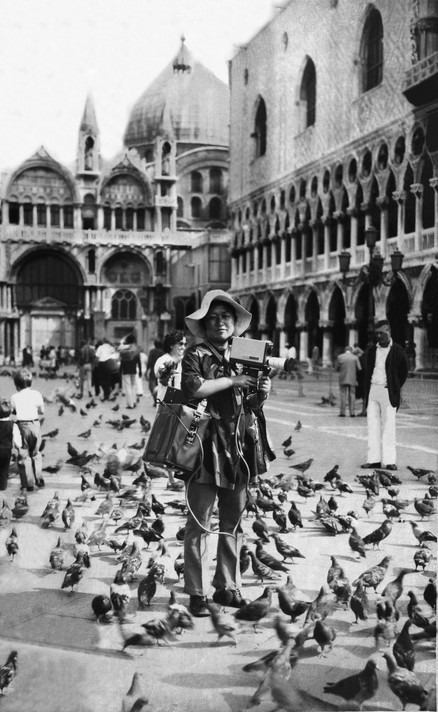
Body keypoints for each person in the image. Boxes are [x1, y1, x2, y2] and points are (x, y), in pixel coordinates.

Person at [181, 290, 274, 617]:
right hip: (205, 446)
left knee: (233, 523)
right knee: (199, 523)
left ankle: (227, 586)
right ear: (204, 325)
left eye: (226, 317)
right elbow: (194, 388)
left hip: (238, 448)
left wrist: (261, 394)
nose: (220, 323)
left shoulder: (247, 353)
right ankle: (195, 591)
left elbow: (250, 403)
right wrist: (232, 379)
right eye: (214, 318)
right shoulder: (195, 355)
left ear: (235, 324)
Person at [361, 320, 408, 471]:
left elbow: (403, 371)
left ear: (389, 332)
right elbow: (366, 369)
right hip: (373, 390)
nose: (379, 336)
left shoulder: (398, 351)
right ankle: (373, 459)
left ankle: (389, 461)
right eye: (376, 333)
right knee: (372, 426)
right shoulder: (371, 351)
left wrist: (394, 386)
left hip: (388, 391)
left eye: (381, 333)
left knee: (389, 427)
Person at [10, 368, 45, 491]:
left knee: (23, 455)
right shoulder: (37, 394)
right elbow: (42, 411)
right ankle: (39, 479)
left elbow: (13, 412)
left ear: (17, 384)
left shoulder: (14, 397)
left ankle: (28, 483)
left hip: (21, 427)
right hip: (35, 425)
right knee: (36, 453)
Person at [154, 331, 187, 404]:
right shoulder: (162, 360)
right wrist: (173, 363)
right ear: (171, 345)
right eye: (180, 344)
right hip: (165, 406)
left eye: (185, 344)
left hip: (180, 405)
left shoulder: (184, 361)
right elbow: (161, 377)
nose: (183, 347)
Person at [0, 398, 22, 491]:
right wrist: (19, 447)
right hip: (6, 450)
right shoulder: (13, 425)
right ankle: (2, 488)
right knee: (4, 471)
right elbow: (17, 440)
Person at [335, 346, 361, 417]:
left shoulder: (340, 357)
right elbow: (359, 368)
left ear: (345, 350)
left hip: (343, 378)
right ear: (351, 350)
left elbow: (336, 368)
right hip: (352, 378)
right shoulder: (355, 357)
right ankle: (352, 412)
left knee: (343, 395)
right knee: (352, 395)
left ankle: (342, 412)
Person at [118, 334, 142, 409]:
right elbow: (139, 362)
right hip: (133, 370)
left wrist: (120, 371)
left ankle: (130, 404)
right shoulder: (136, 351)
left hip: (126, 371)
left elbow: (122, 362)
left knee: (128, 387)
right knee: (133, 386)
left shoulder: (123, 351)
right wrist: (140, 370)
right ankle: (134, 402)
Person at [146, 339, 164, 406]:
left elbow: (149, 361)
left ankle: (156, 400)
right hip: (161, 372)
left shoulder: (152, 351)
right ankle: (158, 400)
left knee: (151, 387)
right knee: (160, 387)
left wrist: (147, 370)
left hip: (153, 372)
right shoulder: (163, 352)